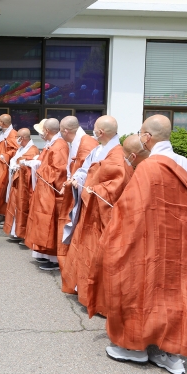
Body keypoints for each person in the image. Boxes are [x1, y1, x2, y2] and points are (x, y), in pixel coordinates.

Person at [93, 115, 187, 374]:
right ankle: (171, 355)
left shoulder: (148, 167)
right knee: (176, 294)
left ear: (146, 137)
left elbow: (130, 211)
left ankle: (136, 348)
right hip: (182, 244)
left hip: (149, 244)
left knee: (142, 291)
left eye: (140, 133)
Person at [61, 116, 133, 311]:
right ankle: (82, 289)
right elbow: (85, 169)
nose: (92, 131)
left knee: (98, 255)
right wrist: (78, 178)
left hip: (102, 213)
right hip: (89, 208)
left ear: (100, 132)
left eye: (95, 128)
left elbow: (115, 187)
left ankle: (99, 300)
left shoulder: (117, 155)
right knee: (84, 250)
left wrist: (88, 187)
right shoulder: (98, 149)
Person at [23, 118, 68, 270]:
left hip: (51, 191)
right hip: (44, 190)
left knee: (50, 223)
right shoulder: (52, 144)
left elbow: (59, 171)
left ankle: (53, 258)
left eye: (42, 131)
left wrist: (40, 169)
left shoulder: (59, 146)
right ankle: (44, 253)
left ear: (47, 131)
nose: (41, 134)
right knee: (42, 222)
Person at [55, 116, 98, 270]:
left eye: (60, 130)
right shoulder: (77, 142)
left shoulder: (87, 144)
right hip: (73, 190)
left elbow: (91, 173)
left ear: (65, 131)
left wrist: (74, 180)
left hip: (81, 195)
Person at [2, 128, 39, 242]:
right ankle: (16, 232)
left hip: (25, 185)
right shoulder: (21, 148)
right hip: (17, 182)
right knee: (15, 207)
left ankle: (23, 234)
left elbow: (31, 167)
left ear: (22, 138)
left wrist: (19, 165)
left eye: (17, 136)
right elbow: (15, 160)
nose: (16, 139)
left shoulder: (33, 150)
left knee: (23, 208)